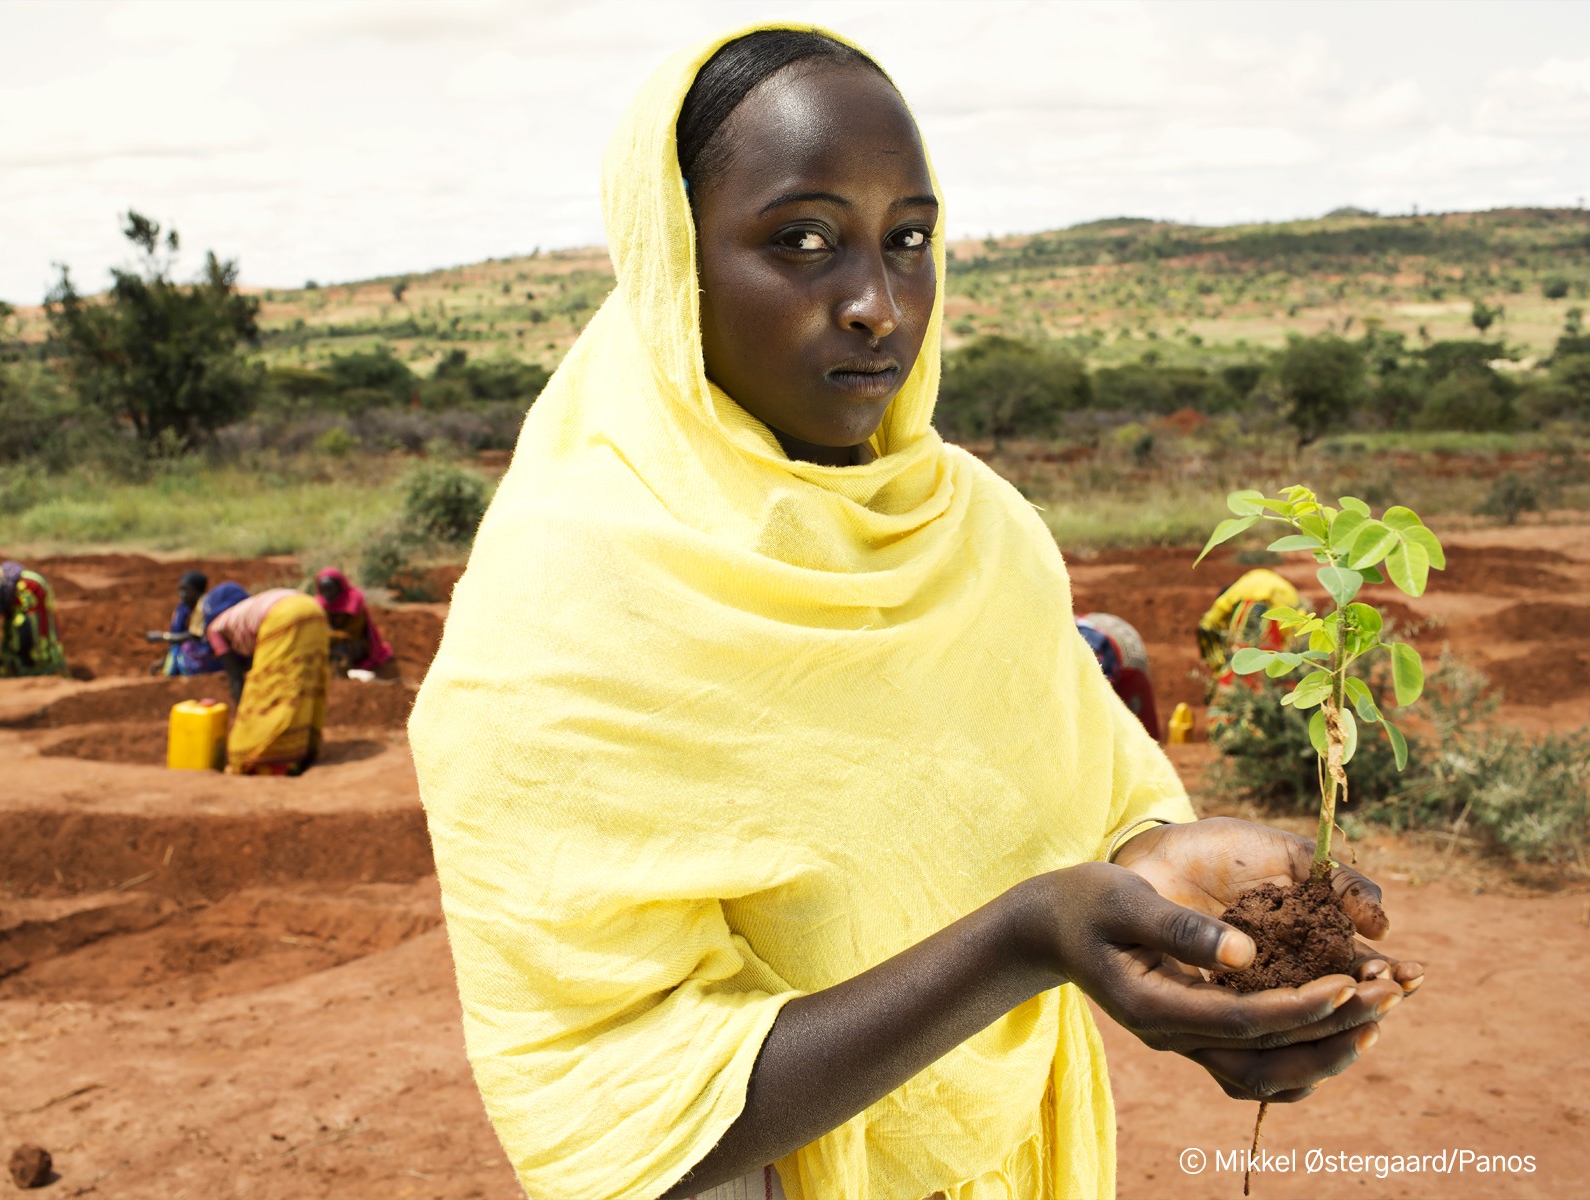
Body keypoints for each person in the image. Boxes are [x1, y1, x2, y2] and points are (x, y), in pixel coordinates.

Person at [407, 27, 1423, 1200]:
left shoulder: (978, 530)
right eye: (801, 242)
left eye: (909, 242)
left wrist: (1161, 867)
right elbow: (623, 1094)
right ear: (671, 257)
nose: (877, 305)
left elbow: (1079, 805)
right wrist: (1026, 942)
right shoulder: (561, 615)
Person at [206, 586, 328, 775]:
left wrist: (244, 714)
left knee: (269, 691)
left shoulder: (215, 629)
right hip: (313, 609)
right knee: (302, 684)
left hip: (284, 616)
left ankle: (256, 755)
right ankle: (299, 751)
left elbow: (235, 676)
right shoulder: (244, 613)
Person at [1197, 567, 1304, 694]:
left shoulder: (1231, 598)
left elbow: (1207, 625)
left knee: (1246, 656)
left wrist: (1218, 665)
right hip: (1286, 611)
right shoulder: (1241, 589)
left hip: (1266, 609)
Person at [1077, 611, 1162, 740]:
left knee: (1137, 733)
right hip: (1089, 627)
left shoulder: (1132, 672)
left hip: (1124, 648)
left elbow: (1148, 733)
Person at [313, 567, 394, 677]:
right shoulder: (319, 603)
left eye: (331, 589)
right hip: (329, 639)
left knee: (338, 652)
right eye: (324, 590)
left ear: (339, 588)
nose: (328, 594)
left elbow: (351, 634)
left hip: (353, 642)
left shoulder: (353, 603)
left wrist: (327, 636)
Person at [145, 571, 226, 676]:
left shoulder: (205, 606)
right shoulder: (183, 609)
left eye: (186, 590)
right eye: (180, 590)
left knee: (183, 650)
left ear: (198, 591)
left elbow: (194, 636)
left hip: (211, 652)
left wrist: (162, 636)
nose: (181, 594)